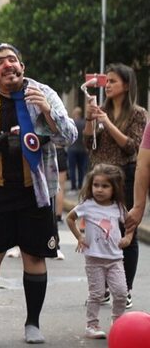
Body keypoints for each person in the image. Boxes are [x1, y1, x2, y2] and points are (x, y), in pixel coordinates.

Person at [0, 43, 77, 344]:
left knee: (35, 257)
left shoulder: (44, 93)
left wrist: (48, 111)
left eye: (13, 59)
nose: (9, 65)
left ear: (21, 66)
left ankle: (32, 324)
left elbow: (69, 136)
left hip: (34, 192)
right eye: (1, 62)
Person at [83, 63, 146, 309]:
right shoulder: (100, 109)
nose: (107, 85)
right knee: (98, 232)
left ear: (127, 85)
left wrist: (106, 122)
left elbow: (133, 147)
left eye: (113, 81)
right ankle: (103, 289)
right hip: (99, 177)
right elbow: (89, 143)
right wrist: (90, 118)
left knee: (125, 231)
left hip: (123, 177)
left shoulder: (138, 114)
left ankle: (125, 288)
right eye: (106, 81)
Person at [65, 164, 131, 339]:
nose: (99, 190)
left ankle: (118, 322)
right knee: (97, 294)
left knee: (121, 292)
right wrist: (79, 237)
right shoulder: (87, 205)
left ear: (114, 188)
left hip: (115, 258)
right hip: (94, 258)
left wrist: (128, 237)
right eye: (96, 185)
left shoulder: (118, 206)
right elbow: (70, 218)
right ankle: (91, 325)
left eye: (105, 186)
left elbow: (130, 223)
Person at [67, 107, 88, 191]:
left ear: (75, 113)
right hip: (83, 149)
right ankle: (80, 185)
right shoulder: (85, 123)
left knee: (72, 168)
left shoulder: (71, 122)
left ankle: (73, 186)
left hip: (72, 149)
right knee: (81, 168)